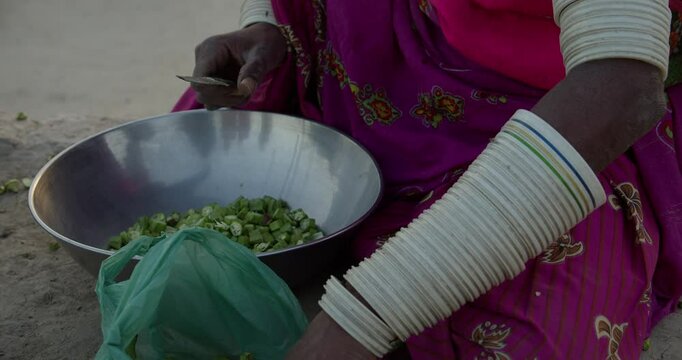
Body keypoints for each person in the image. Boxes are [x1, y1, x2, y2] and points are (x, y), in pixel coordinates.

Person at [173, 0, 682, 358]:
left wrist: (363, 320)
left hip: (557, 109)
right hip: (378, 48)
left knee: (535, 332)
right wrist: (268, 22)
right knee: (200, 164)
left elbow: (620, 89)